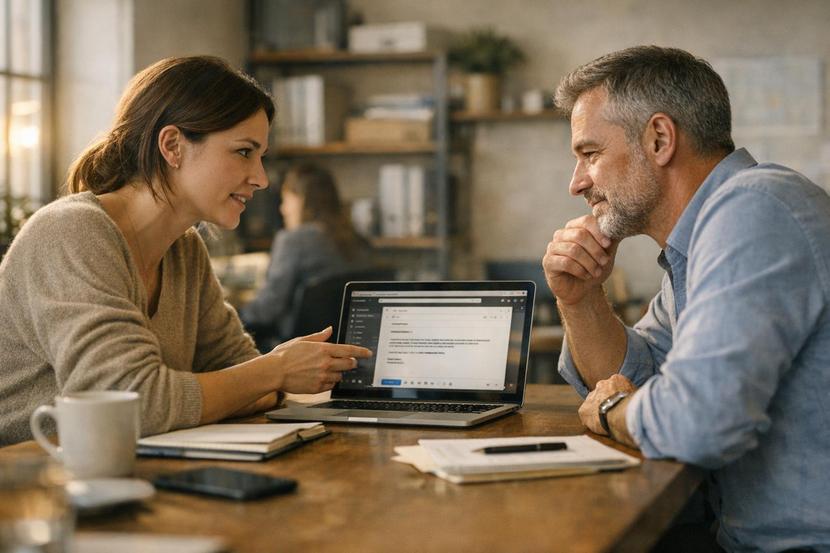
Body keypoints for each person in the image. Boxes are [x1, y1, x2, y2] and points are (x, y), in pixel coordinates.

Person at [543, 46, 830, 552]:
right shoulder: (696, 244)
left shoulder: (754, 207)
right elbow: (642, 379)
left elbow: (692, 424)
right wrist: (581, 298)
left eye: (590, 154)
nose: (577, 183)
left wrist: (611, 408)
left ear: (659, 138)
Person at [0, 56, 371, 446]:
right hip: (24, 482)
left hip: (117, 471)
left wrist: (258, 377)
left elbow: (248, 383)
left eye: (261, 156)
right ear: (173, 145)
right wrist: (274, 369)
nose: (261, 178)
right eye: (244, 152)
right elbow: (132, 405)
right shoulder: (71, 233)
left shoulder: (184, 250)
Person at [239, 163, 370, 346]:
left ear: (301, 199)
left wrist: (230, 315)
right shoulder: (357, 240)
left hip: (293, 348)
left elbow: (268, 309)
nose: (282, 209)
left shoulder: (293, 241)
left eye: (285, 200)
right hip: (342, 344)